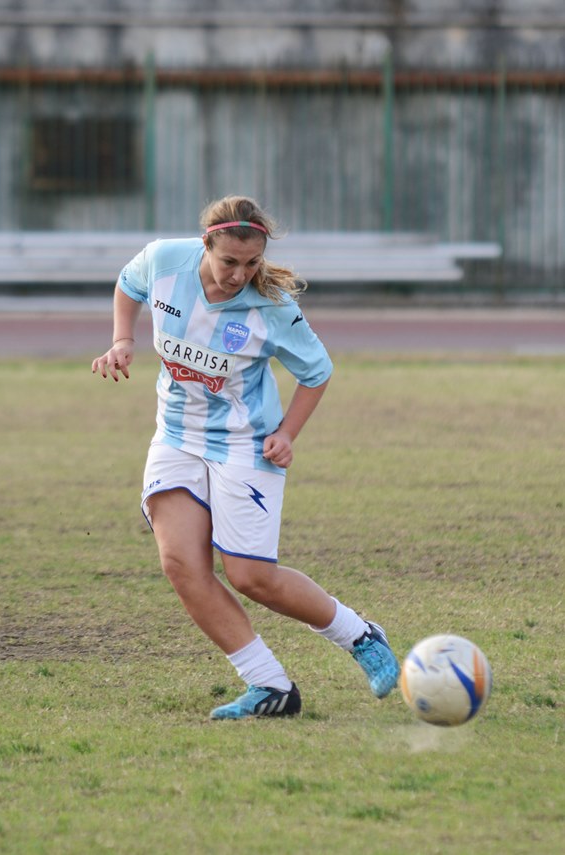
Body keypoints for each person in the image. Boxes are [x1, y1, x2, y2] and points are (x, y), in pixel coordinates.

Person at [92, 195, 399, 720]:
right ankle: (269, 686)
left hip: (245, 445)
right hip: (177, 436)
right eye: (229, 261)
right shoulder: (165, 260)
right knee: (181, 564)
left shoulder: (273, 306)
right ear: (205, 243)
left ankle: (360, 634)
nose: (239, 274)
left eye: (251, 262)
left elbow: (317, 372)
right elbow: (129, 283)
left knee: (251, 576)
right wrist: (122, 339)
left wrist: (288, 433)